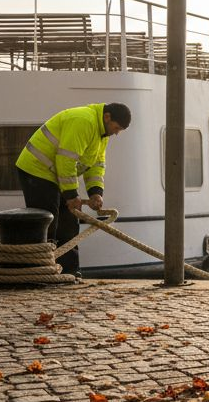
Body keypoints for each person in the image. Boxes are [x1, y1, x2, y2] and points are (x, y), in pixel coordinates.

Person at [15, 102, 131, 277]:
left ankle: (68, 272)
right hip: (36, 170)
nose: (117, 133)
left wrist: (95, 193)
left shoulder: (102, 134)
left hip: (55, 174)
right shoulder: (84, 121)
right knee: (48, 221)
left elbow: (96, 165)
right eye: (116, 128)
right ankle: (41, 272)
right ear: (107, 117)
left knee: (69, 223)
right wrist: (71, 195)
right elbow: (66, 160)